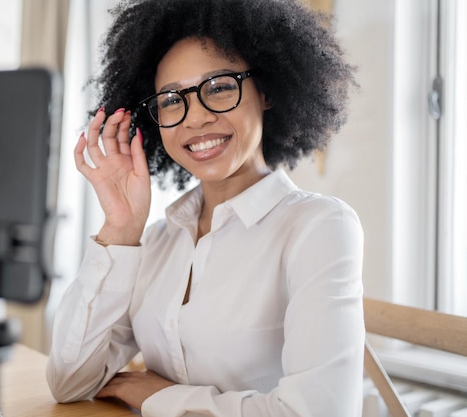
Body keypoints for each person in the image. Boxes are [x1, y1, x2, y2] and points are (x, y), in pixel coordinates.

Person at [47, 0, 365, 415]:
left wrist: (156, 396)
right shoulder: (159, 240)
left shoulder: (319, 227)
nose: (193, 118)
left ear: (266, 90)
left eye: (218, 87)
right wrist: (120, 229)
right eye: (171, 100)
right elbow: (69, 381)